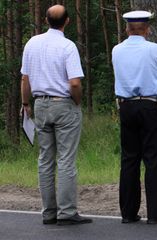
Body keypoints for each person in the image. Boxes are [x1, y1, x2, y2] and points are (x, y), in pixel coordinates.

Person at [20, 5, 92, 226]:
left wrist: (26, 103)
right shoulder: (67, 46)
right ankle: (67, 211)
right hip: (64, 104)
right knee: (66, 159)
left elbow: (25, 78)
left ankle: (48, 212)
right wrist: (77, 101)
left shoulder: (32, 43)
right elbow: (75, 82)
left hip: (40, 103)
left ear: (45, 20)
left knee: (45, 159)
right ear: (67, 21)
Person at [112, 10, 157, 224]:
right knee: (153, 159)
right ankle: (156, 214)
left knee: (129, 159)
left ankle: (128, 213)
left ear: (127, 28)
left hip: (126, 106)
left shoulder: (116, 50)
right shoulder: (155, 49)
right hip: (150, 105)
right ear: (147, 29)